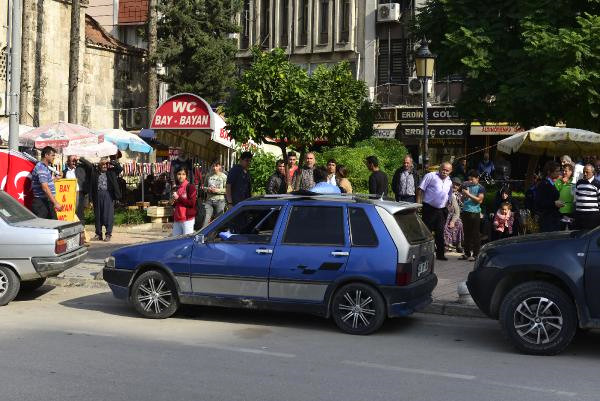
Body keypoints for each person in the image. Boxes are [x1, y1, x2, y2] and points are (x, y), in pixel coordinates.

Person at [417, 162, 453, 260]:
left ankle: (440, 255)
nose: (444, 172)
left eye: (447, 170)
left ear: (450, 171)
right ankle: (424, 254)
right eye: (443, 169)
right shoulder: (430, 176)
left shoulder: (450, 181)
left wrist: (448, 205)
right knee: (427, 232)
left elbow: (449, 195)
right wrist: (418, 204)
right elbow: (420, 189)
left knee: (440, 233)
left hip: (441, 210)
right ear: (440, 168)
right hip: (429, 208)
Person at [83, 156, 123, 242]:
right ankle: (98, 234)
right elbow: (91, 186)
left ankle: (108, 234)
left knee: (108, 215)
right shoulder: (95, 173)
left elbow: (120, 168)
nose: (104, 166)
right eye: (103, 164)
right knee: (98, 215)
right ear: (99, 165)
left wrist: (110, 161)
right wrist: (90, 199)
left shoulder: (111, 172)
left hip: (108, 195)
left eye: (106, 165)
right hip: (97, 195)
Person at [459, 170, 485, 261]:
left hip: (475, 212)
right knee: (466, 233)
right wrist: (463, 195)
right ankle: (466, 253)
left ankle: (475, 254)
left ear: (477, 178)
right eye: (469, 179)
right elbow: (462, 199)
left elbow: (479, 200)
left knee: (475, 234)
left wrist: (468, 194)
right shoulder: (466, 185)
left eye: (472, 179)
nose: (470, 181)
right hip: (465, 211)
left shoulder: (480, 187)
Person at [31, 146, 63, 219]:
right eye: (52, 155)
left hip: (46, 202)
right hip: (41, 203)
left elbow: (47, 183)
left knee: (53, 225)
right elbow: (45, 187)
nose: (53, 158)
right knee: (45, 227)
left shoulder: (45, 167)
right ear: (46, 155)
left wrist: (56, 178)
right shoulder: (41, 168)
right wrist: (55, 203)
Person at [535, 161, 563, 233]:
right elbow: (539, 202)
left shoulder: (551, 183)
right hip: (547, 220)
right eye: (557, 171)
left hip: (553, 218)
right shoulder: (543, 184)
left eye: (559, 171)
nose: (559, 173)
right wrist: (554, 203)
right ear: (549, 172)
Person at [171, 167, 197, 236]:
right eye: (179, 174)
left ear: (186, 176)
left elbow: (192, 203)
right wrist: (172, 202)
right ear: (176, 175)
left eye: (183, 174)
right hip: (177, 218)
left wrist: (178, 198)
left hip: (187, 219)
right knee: (175, 241)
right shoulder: (176, 188)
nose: (181, 176)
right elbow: (175, 204)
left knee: (187, 241)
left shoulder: (190, 187)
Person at [573, 163, 600, 230]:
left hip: (592, 216)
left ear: (593, 172)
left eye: (587, 172)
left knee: (590, 236)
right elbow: (576, 196)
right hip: (579, 214)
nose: (584, 174)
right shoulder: (579, 182)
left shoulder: (597, 184)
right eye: (583, 172)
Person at [63, 154, 89, 222]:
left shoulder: (81, 169)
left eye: (75, 161)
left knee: (79, 213)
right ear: (68, 162)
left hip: (79, 193)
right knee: (70, 213)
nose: (74, 162)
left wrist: (80, 158)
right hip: (68, 195)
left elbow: (90, 166)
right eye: (72, 161)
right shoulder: (64, 172)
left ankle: (81, 230)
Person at [202, 160, 227, 227]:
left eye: (216, 166)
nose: (214, 168)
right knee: (206, 219)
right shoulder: (208, 175)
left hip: (220, 201)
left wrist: (217, 190)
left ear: (220, 166)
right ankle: (203, 235)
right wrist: (208, 189)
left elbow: (227, 190)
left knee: (218, 220)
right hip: (209, 200)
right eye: (213, 166)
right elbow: (204, 187)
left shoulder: (224, 176)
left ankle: (217, 235)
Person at [444, 178, 464, 253]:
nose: (455, 186)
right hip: (445, 214)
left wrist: (453, 221)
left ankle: (458, 244)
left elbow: (457, 210)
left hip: (455, 215)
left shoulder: (459, 195)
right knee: (445, 225)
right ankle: (446, 245)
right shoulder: (446, 193)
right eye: (454, 184)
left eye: (457, 185)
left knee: (459, 224)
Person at [555, 163, 575, 230]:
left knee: (571, 230)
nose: (564, 172)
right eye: (563, 171)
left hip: (571, 210)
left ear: (571, 172)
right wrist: (562, 183)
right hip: (561, 210)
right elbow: (555, 193)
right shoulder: (558, 181)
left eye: (566, 171)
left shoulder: (574, 181)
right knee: (561, 230)